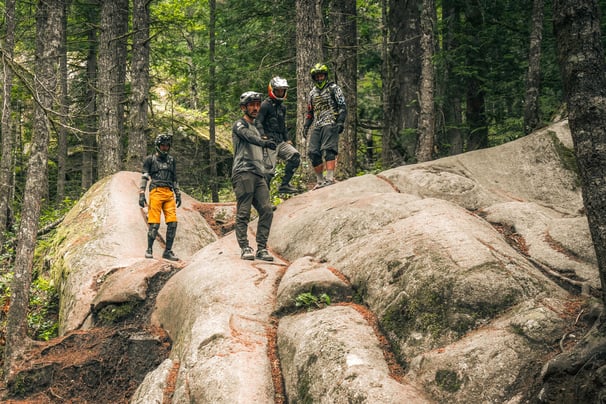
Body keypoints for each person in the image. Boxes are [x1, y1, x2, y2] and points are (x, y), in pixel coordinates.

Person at [231, 91, 277, 261]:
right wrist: (263, 142)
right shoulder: (239, 125)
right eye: (252, 105)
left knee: (266, 210)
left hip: (259, 174)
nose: (256, 108)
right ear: (244, 107)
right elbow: (248, 137)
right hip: (243, 172)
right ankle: (244, 247)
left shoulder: (258, 128)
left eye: (258, 104)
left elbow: (260, 148)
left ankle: (262, 248)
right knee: (244, 212)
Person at [303, 63, 347, 189]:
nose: (319, 78)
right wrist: (306, 126)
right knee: (313, 152)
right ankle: (320, 181)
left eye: (321, 76)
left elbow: (342, 106)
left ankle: (330, 178)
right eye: (317, 76)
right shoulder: (312, 93)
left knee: (328, 150)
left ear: (325, 76)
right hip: (318, 125)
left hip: (331, 122)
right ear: (314, 78)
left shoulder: (334, 88)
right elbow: (310, 112)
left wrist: (340, 121)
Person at [139, 133, 181, 261]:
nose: (165, 148)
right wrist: (141, 193)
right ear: (158, 146)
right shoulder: (150, 160)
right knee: (154, 223)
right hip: (156, 192)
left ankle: (168, 251)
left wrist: (177, 193)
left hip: (169, 193)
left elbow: (174, 178)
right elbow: (145, 176)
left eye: (167, 146)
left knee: (173, 223)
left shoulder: (171, 160)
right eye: (163, 146)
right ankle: (149, 249)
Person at [255, 76, 301, 194]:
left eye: (282, 90)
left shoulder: (282, 107)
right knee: (268, 172)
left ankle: (284, 185)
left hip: (280, 141)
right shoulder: (265, 105)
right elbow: (258, 121)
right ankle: (265, 201)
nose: (280, 93)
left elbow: (282, 125)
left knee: (295, 156)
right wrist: (262, 135)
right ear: (272, 90)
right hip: (269, 142)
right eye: (278, 90)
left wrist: (287, 139)